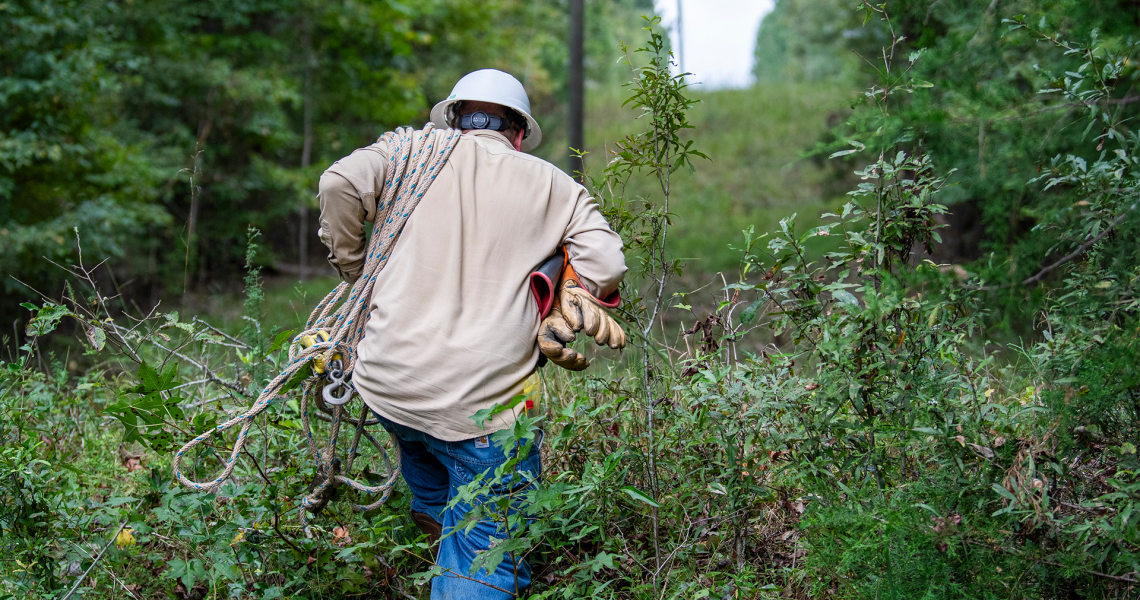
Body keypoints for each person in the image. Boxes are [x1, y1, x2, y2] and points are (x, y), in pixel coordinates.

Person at [316, 68, 627, 599]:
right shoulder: (553, 184)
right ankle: (468, 574)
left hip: (389, 389)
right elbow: (607, 260)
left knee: (436, 485)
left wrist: (353, 266)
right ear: (520, 132)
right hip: (480, 410)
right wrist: (564, 300)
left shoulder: (405, 155)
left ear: (454, 118)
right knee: (486, 555)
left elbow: (337, 183)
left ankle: (443, 535)